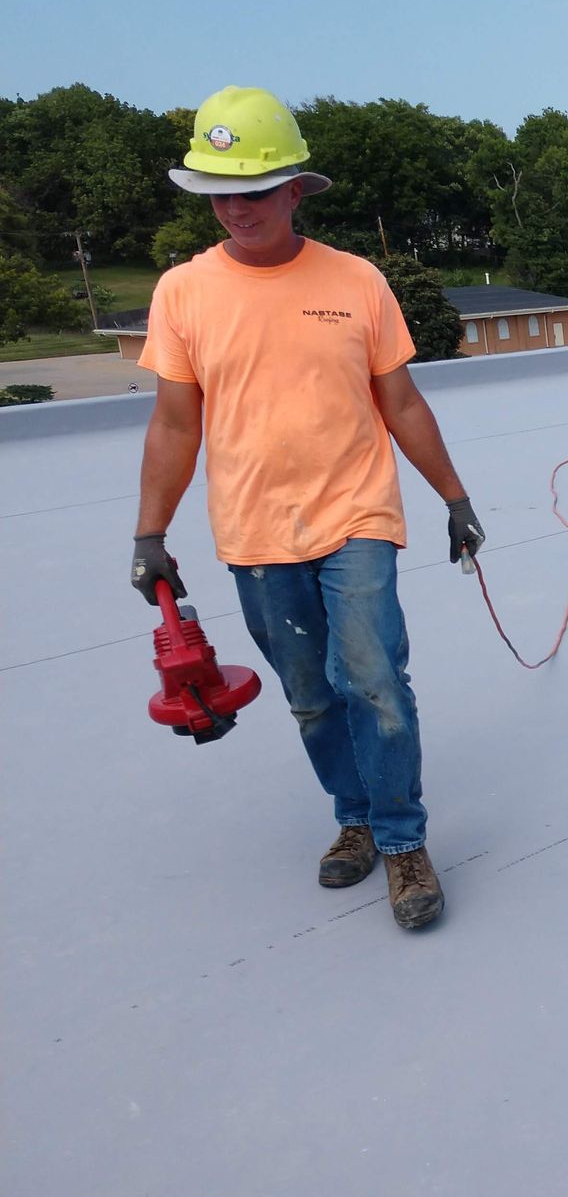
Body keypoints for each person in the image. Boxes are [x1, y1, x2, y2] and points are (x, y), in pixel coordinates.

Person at [131, 86, 483, 932]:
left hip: (356, 514)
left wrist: (455, 497)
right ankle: (352, 819)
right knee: (311, 696)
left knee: (372, 682)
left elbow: (400, 403)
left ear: (295, 189)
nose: (237, 208)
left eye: (254, 190)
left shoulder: (356, 280)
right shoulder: (183, 293)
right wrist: (150, 533)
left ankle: (402, 840)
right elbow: (178, 423)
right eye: (221, 192)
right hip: (254, 531)